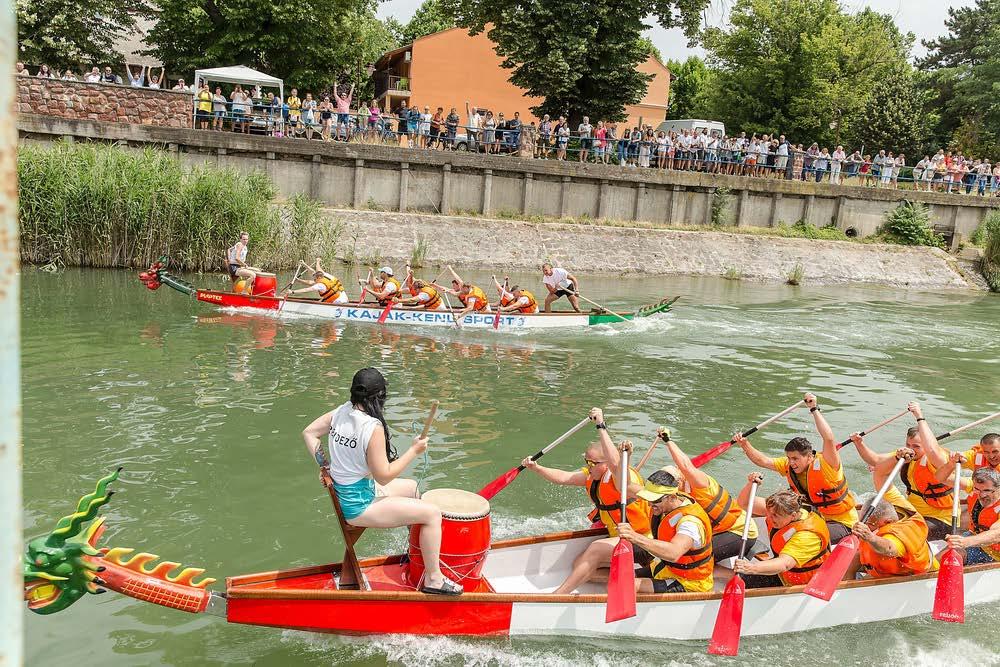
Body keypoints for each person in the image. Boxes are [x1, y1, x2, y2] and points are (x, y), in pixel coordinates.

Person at [301, 368, 461, 595]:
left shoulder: (342, 411)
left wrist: (325, 466)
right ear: (379, 397)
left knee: (411, 488)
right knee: (432, 513)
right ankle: (434, 580)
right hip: (359, 505)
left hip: (349, 492)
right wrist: (414, 450)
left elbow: (309, 432)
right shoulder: (371, 427)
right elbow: (383, 476)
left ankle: (417, 554)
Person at [522, 408, 651, 594]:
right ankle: (640, 577)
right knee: (579, 565)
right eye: (586, 461)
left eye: (591, 463)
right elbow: (563, 478)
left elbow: (616, 463)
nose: (587, 466)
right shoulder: (592, 475)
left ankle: (558, 595)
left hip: (642, 540)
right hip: (618, 537)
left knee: (595, 549)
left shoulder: (619, 478)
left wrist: (601, 425)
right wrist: (536, 468)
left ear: (605, 463)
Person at [737, 392, 857, 544]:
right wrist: (744, 444)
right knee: (753, 504)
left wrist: (814, 408)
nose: (791, 462)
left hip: (840, 523)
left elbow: (828, 438)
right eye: (789, 458)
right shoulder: (789, 466)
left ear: (809, 456)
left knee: (799, 536)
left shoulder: (828, 463)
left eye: (795, 459)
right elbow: (763, 461)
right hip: (812, 513)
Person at [851, 402, 967, 540]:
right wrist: (859, 443)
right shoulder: (906, 455)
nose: (911, 449)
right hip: (913, 511)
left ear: (927, 444)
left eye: (916, 446)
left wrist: (919, 416)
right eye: (908, 444)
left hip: (941, 519)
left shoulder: (936, 459)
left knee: (904, 534)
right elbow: (875, 460)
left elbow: (932, 450)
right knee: (879, 516)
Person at [660, 432, 760, 561]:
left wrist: (668, 440)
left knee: (695, 557)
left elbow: (686, 466)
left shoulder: (700, 484)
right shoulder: (676, 494)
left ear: (680, 479)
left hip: (740, 531)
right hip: (718, 530)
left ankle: (730, 575)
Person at [617, 466, 715, 593]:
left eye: (654, 501)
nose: (649, 504)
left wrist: (634, 536)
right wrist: (624, 456)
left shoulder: (690, 523)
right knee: (618, 576)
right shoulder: (665, 498)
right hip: (666, 568)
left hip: (689, 582)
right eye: (648, 498)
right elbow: (624, 486)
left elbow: (673, 553)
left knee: (626, 585)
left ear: (672, 497)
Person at [732, 476, 831, 588]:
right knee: (742, 577)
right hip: (782, 572)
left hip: (803, 584)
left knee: (745, 580)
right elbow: (744, 503)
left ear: (793, 515)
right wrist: (750, 484)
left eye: (775, 516)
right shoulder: (780, 508)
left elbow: (785, 564)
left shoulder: (807, 536)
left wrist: (750, 568)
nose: (769, 517)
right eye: (769, 513)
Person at [852, 482, 937, 578]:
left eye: (870, 525)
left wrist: (871, 537)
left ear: (888, 522)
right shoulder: (899, 504)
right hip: (878, 567)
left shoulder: (901, 533)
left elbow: (889, 548)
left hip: (910, 576)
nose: (867, 527)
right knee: (852, 559)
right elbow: (883, 479)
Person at [946, 468, 1000, 564]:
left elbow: (997, 534)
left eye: (987, 490)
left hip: (996, 553)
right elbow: (943, 478)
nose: (982, 495)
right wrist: (950, 464)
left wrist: (965, 542)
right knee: (949, 553)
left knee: (957, 551)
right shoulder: (974, 492)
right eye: (977, 489)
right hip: (977, 540)